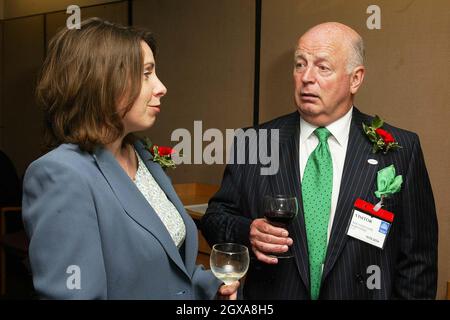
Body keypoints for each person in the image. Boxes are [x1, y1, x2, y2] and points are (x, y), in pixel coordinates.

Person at [201, 22, 438, 299]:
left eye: (322, 67)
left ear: (355, 79)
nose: (306, 77)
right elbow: (215, 218)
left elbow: (418, 263)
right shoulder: (254, 142)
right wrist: (248, 232)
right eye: (300, 64)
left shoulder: (399, 150)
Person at [22, 17, 238, 299]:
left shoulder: (142, 156)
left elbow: (168, 263)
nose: (161, 87)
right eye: (146, 74)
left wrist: (209, 288)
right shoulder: (61, 175)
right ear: (102, 82)